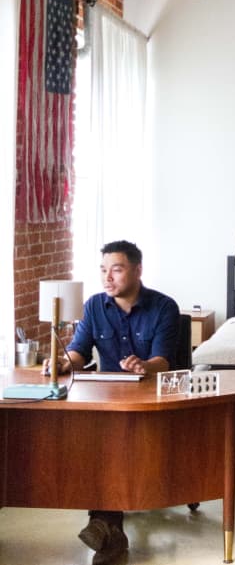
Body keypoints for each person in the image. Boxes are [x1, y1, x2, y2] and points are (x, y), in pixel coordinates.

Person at [44, 239, 179, 565]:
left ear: (137, 270)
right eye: (103, 270)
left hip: (149, 402)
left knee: (108, 448)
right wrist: (63, 362)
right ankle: (108, 531)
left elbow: (163, 360)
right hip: (108, 401)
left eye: (116, 270)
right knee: (96, 444)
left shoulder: (164, 307)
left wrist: (144, 366)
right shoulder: (94, 306)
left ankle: (105, 527)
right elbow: (79, 351)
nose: (107, 278)